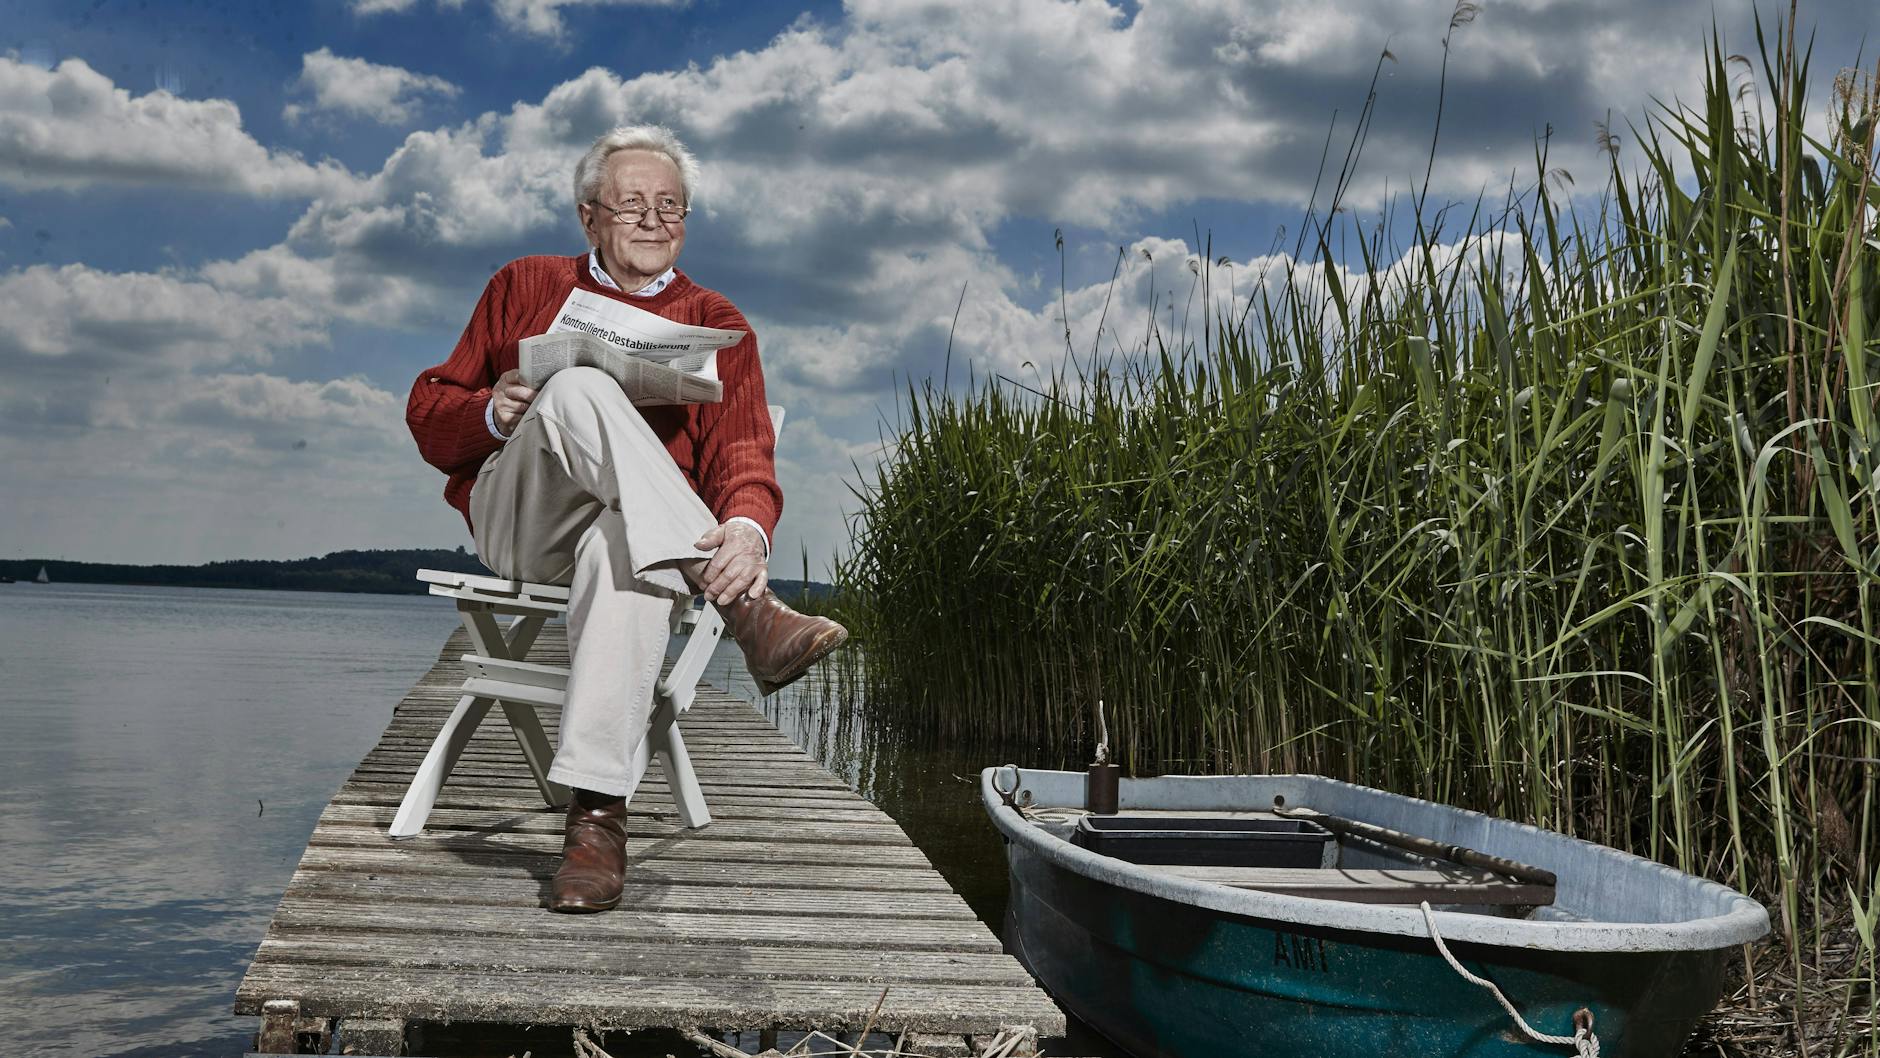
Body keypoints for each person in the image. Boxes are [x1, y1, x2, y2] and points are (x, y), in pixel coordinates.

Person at [406, 124, 847, 913]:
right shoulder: (524, 282)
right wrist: (493, 412)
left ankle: (597, 824)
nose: (653, 220)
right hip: (523, 519)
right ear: (588, 217)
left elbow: (745, 452)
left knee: (628, 552)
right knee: (576, 388)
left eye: (670, 205)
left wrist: (746, 530)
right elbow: (428, 416)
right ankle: (747, 610)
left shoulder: (719, 321)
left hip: (645, 542)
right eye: (632, 204)